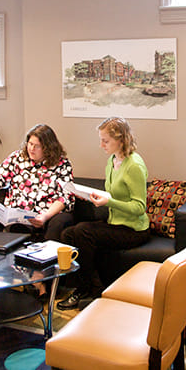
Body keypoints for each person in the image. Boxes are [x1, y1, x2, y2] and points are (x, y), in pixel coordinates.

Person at [57, 117, 150, 310]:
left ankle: (94, 290)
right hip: (115, 223)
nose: (101, 145)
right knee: (68, 234)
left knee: (83, 231)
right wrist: (90, 196)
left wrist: (109, 202)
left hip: (133, 229)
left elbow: (139, 207)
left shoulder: (134, 165)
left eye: (105, 141)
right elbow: (111, 193)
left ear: (121, 140)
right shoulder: (112, 161)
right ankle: (84, 288)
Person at [0, 123, 74, 241]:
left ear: (48, 148)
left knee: (59, 222)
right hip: (19, 215)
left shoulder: (62, 164)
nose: (32, 149)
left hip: (47, 214)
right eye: (30, 144)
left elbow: (66, 197)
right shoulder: (17, 158)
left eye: (37, 146)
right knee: (15, 228)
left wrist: (45, 216)